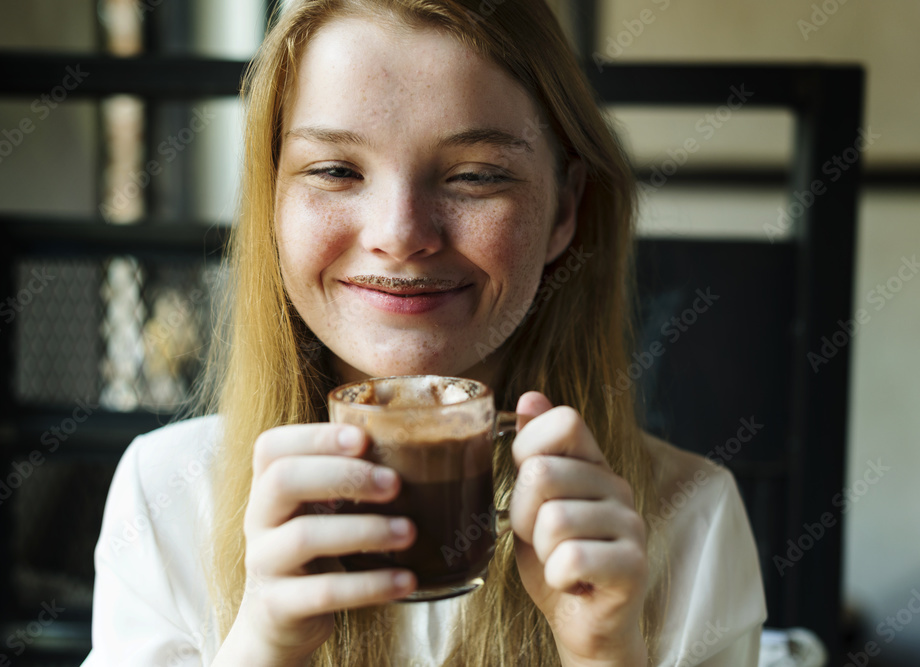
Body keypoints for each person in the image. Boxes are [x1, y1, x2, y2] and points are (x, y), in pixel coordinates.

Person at [82, 1, 766, 665]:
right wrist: (259, 647)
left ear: (565, 209)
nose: (400, 235)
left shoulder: (691, 520)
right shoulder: (167, 493)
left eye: (474, 176)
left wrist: (607, 655)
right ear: (272, 201)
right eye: (335, 171)